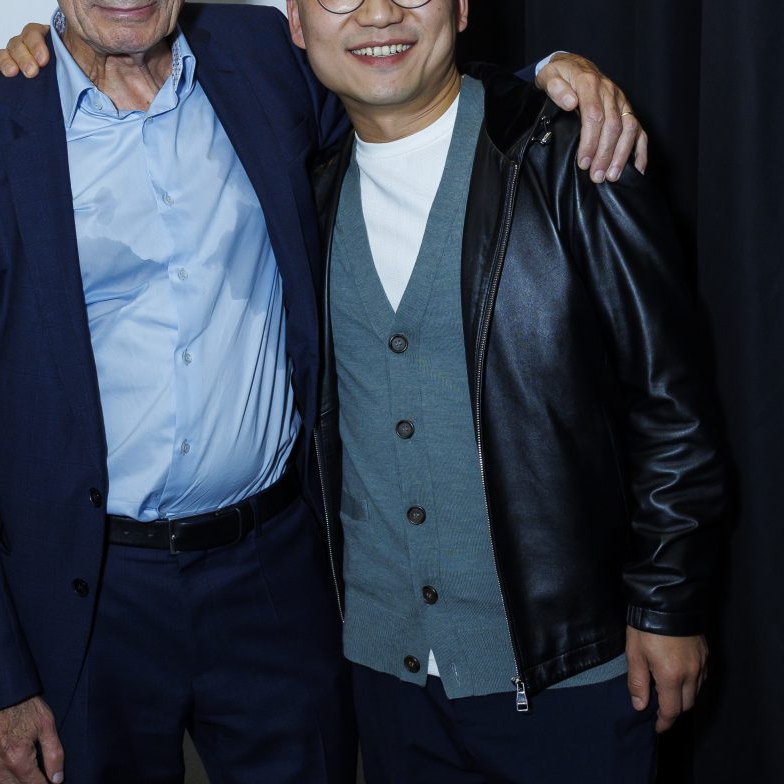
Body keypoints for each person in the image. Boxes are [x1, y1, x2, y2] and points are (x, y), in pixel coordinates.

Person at [0, 2, 643, 783]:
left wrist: (542, 80)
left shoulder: (259, 54)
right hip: (91, 593)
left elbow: (402, 90)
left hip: (274, 573)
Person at [285, 0, 724, 781]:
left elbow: (672, 402)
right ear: (296, 22)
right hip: (388, 679)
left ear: (461, 7)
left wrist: (667, 603)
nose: (379, 13)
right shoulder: (310, 193)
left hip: (571, 674)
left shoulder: (572, 155)